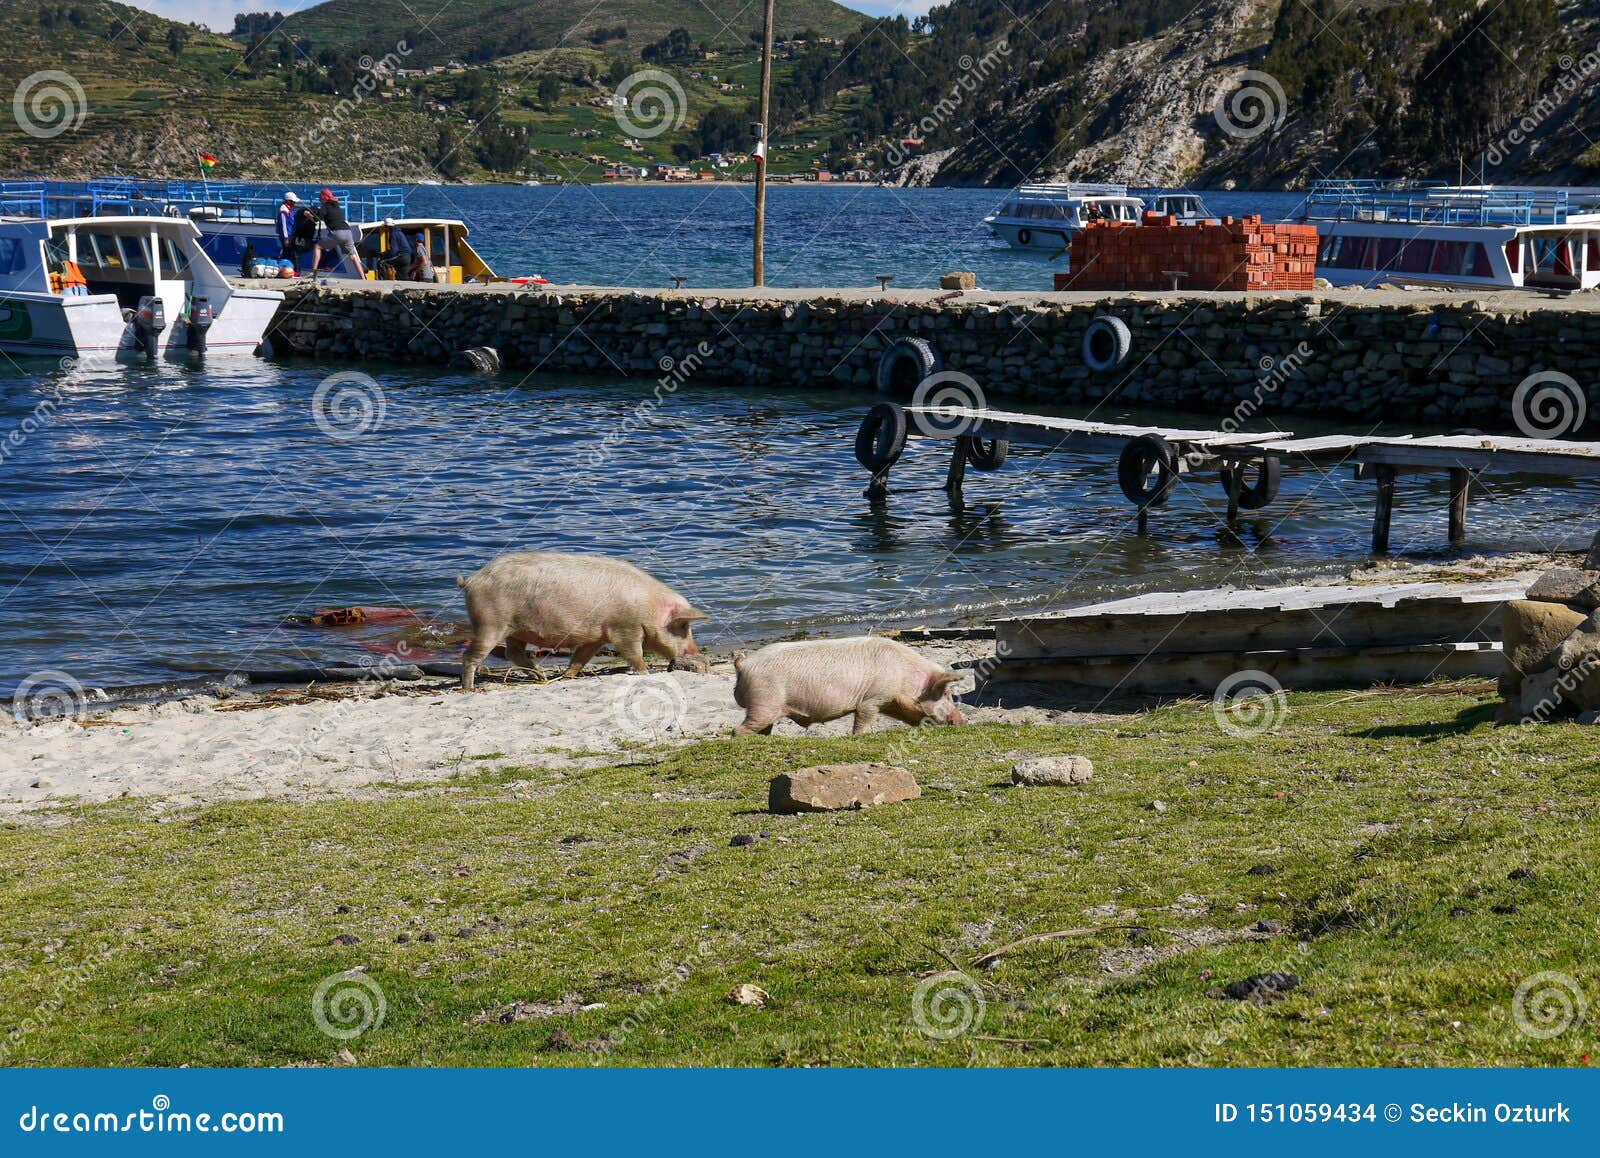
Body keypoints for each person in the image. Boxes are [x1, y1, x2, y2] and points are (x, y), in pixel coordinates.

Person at [312, 187, 365, 279]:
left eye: (320, 198)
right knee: (352, 256)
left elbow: (317, 219)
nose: (320, 200)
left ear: (324, 198)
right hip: (348, 232)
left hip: (337, 232)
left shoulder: (325, 206)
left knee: (317, 246)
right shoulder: (337, 205)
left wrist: (309, 215)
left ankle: (313, 273)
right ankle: (363, 278)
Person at [275, 191, 303, 271]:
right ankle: (291, 270)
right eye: (293, 201)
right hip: (287, 236)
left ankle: (289, 269)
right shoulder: (284, 210)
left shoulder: (289, 209)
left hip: (291, 234)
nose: (294, 203)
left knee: (289, 253)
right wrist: (286, 238)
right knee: (289, 253)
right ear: (288, 201)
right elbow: (284, 225)